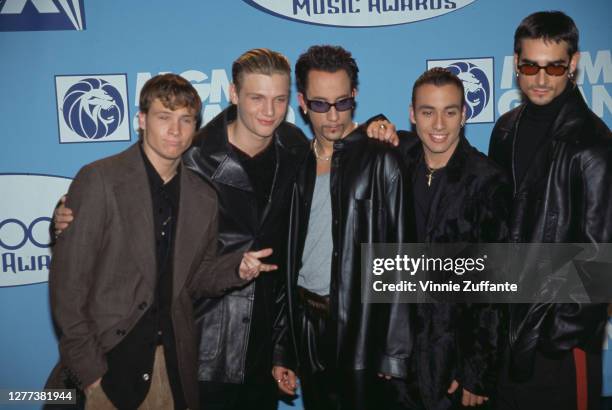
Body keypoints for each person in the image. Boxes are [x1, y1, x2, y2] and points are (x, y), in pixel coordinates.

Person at [45, 74, 275, 410]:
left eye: (185, 120)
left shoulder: (202, 196)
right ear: (141, 120)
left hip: (170, 369)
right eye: (163, 117)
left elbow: (197, 279)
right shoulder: (100, 180)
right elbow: (68, 288)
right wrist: (91, 374)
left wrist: (236, 268)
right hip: (106, 363)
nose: (175, 130)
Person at [272, 45, 413, 410]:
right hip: (307, 326)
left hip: (365, 327)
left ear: (355, 96)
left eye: (342, 103)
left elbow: (401, 256)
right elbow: (287, 264)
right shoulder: (295, 163)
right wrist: (284, 347)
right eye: (320, 105)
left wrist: (394, 351)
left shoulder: (382, 157)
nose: (332, 116)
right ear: (302, 102)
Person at [488, 11, 612, 410]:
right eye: (530, 66)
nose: (541, 78)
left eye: (554, 66)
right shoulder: (505, 129)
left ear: (573, 64)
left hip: (558, 345)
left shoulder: (593, 143)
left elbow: (599, 259)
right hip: (507, 333)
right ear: (516, 64)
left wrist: (556, 336)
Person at [385, 67, 509, 409]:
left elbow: (495, 289)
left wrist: (477, 371)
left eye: (450, 112)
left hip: (453, 361)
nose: (438, 124)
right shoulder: (398, 163)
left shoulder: (487, 182)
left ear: (464, 115)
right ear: (412, 115)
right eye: (428, 112)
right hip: (400, 360)